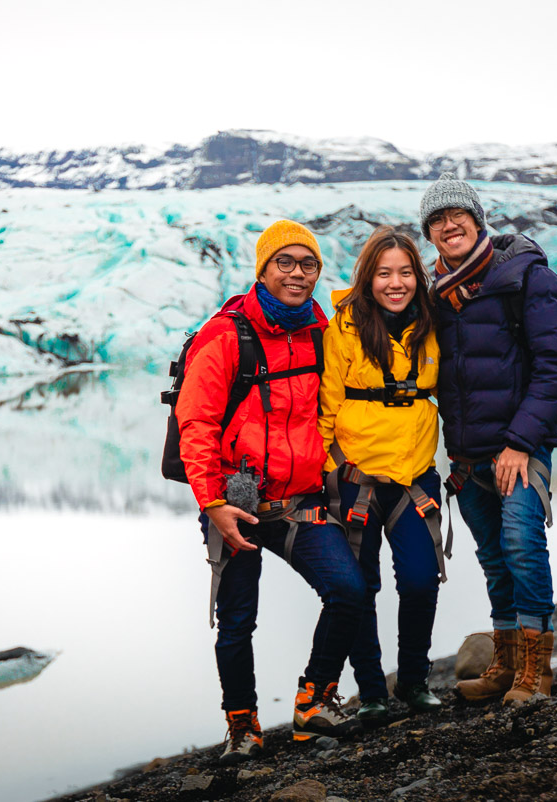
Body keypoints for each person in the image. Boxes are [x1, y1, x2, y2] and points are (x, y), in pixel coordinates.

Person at [176, 219, 364, 764]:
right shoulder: (226, 334)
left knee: (348, 592)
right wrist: (214, 503)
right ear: (263, 268)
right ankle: (242, 724)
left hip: (301, 501)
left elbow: (334, 412)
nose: (298, 274)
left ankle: (314, 699)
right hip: (237, 502)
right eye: (285, 262)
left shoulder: (320, 331)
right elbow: (198, 425)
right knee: (237, 621)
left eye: (308, 264)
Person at [419, 173, 557, 706]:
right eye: (436, 220)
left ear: (477, 218)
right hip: (466, 458)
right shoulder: (432, 293)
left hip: (518, 450)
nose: (448, 225)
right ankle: (506, 665)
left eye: (456, 214)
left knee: (523, 549)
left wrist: (519, 443)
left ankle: (537, 672)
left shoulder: (527, 276)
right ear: (429, 233)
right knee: (493, 557)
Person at [319, 226, 444, 725]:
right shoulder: (343, 329)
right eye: (384, 273)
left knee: (419, 581)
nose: (396, 283)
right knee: (360, 587)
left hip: (416, 476)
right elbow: (327, 406)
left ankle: (413, 681)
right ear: (368, 278)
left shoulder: (435, 325)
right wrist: (330, 473)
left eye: (406, 272)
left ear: (418, 275)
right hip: (357, 480)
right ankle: (371, 690)